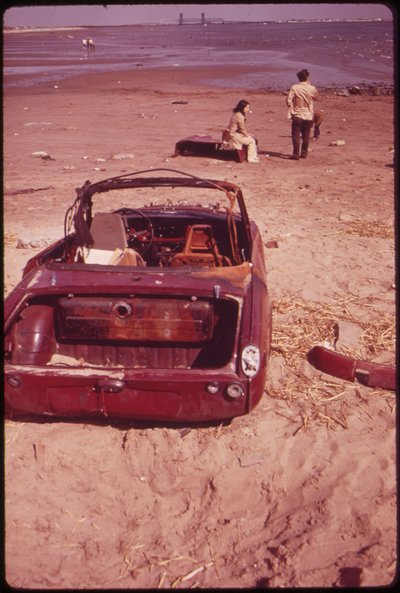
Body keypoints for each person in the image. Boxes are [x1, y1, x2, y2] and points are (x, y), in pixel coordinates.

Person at [286, 69, 319, 160]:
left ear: (298, 78)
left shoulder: (294, 87)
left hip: (297, 114)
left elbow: (288, 101)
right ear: (307, 77)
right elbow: (316, 97)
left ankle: (296, 154)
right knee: (306, 135)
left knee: (296, 136)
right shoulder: (311, 88)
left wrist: (292, 109)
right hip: (308, 115)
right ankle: (304, 153)